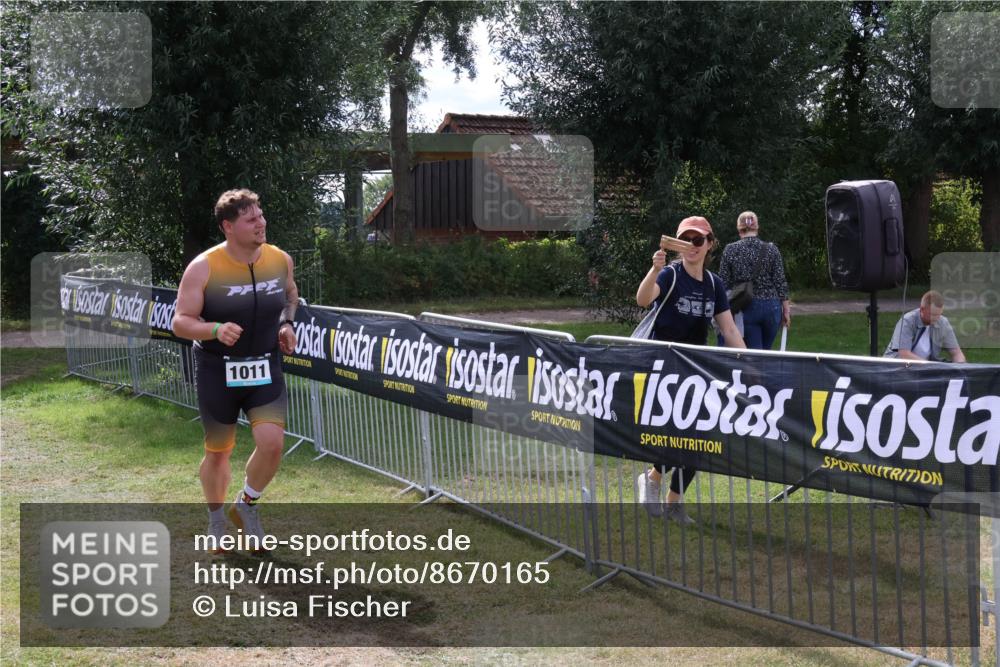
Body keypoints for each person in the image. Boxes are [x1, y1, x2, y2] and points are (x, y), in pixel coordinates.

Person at [172, 189, 298, 552]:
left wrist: (287, 324)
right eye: (251, 218)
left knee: (272, 445)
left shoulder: (279, 259)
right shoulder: (204, 266)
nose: (261, 223)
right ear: (229, 226)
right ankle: (216, 521)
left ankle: (246, 505)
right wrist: (214, 329)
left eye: (261, 215)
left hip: (264, 365)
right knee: (218, 451)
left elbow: (291, 296)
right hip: (217, 370)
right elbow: (180, 321)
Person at [634, 216, 746, 524]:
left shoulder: (714, 284)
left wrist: (750, 362)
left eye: (698, 240)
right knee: (673, 436)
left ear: (710, 244)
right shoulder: (670, 275)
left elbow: (729, 330)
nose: (692, 246)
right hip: (664, 370)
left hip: (698, 371)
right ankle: (653, 478)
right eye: (686, 240)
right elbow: (643, 299)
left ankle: (673, 503)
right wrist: (654, 269)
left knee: (699, 439)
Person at [718, 211, 791, 349]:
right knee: (766, 351)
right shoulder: (771, 249)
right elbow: (780, 282)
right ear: (757, 227)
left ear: (739, 229)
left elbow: (723, 282)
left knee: (754, 355)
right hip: (772, 307)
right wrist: (786, 310)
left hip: (746, 306)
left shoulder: (730, 250)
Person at [884, 290, 966, 362]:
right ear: (922, 309)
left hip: (926, 368)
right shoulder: (907, 321)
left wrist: (961, 368)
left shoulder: (943, 322)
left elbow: (956, 353)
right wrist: (930, 367)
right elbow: (904, 354)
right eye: (933, 315)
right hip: (898, 367)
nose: (936, 318)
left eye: (939, 314)